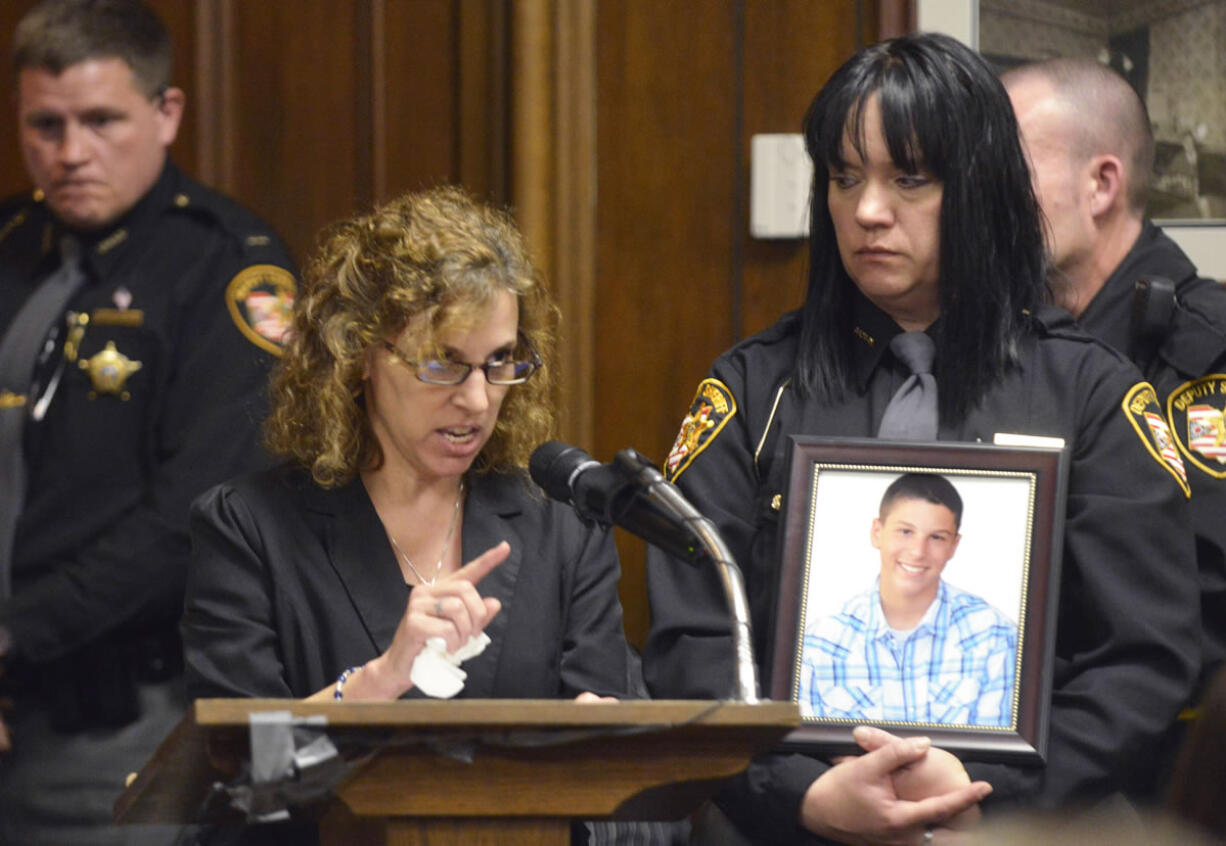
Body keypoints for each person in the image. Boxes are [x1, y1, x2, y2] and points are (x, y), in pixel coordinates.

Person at [642, 32, 1200, 845]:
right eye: (843, 177)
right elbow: (690, 644)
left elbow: (1141, 659)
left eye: (910, 179)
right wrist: (799, 794)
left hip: (1025, 822)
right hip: (783, 821)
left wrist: (991, 793)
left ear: (981, 191)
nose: (867, 210)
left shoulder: (1094, 395)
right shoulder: (753, 390)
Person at [0, 0, 295, 843]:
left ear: (166, 114)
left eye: (101, 121)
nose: (71, 153)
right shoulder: (11, 249)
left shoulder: (229, 269)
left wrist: (12, 633)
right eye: (44, 125)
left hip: (115, 715)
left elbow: (191, 522)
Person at [182, 185, 632, 707]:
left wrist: (600, 738)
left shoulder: (565, 526)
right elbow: (240, 763)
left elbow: (607, 722)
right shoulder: (250, 530)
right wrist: (382, 679)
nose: (477, 399)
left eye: (499, 361)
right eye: (443, 363)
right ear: (360, 353)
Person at [1002, 58, 1226, 697]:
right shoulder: (1009, 339)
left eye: (1005, 172)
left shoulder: (1206, 351)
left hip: (1163, 764)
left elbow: (1198, 598)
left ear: (1101, 185)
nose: (978, 200)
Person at [800, 473, 1017, 727]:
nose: (917, 552)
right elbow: (808, 754)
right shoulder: (820, 643)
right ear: (877, 533)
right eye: (905, 531)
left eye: (936, 537)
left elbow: (994, 759)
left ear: (954, 545)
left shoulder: (996, 636)